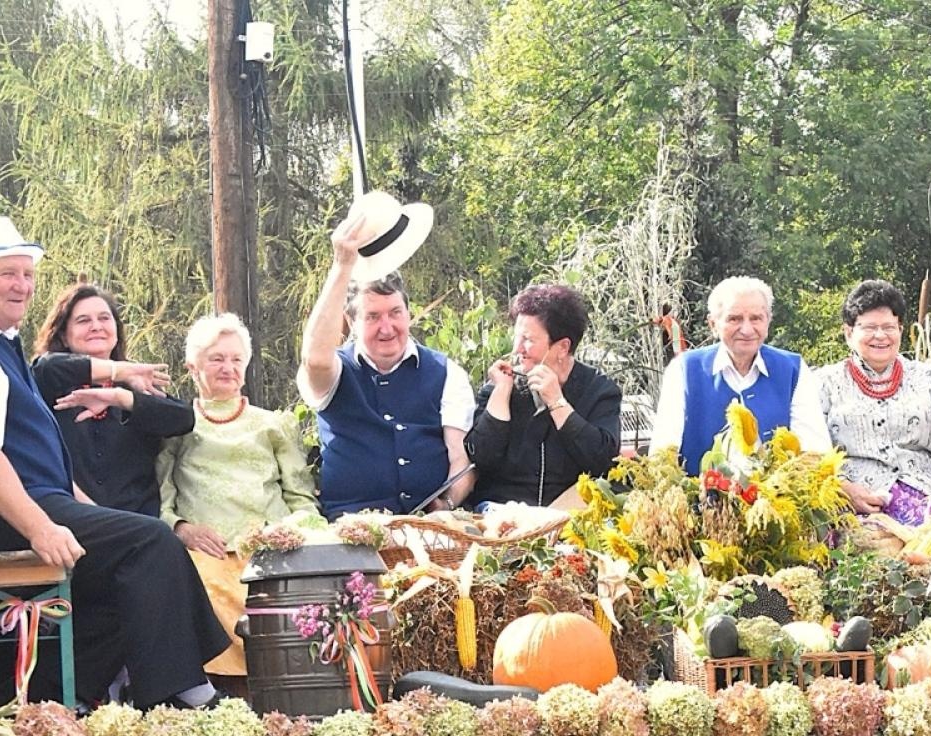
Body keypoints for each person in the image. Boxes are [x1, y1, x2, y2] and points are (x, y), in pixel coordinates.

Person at [0, 217, 227, 708]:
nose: (23, 285)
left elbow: (42, 461)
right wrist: (40, 528)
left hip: (35, 504)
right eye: (7, 274)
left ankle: (61, 701)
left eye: (27, 273)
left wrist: (91, 511)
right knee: (148, 542)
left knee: (132, 559)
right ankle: (183, 694)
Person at [158, 314, 319, 680]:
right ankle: (221, 693)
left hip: (270, 548)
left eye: (236, 359)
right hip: (207, 550)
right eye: (216, 359)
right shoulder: (176, 426)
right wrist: (181, 529)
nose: (228, 368)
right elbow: (161, 498)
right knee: (201, 587)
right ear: (193, 367)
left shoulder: (272, 425)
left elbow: (301, 498)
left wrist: (294, 535)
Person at [299, 192, 475, 517]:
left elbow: (459, 459)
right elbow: (315, 359)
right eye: (373, 316)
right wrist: (342, 265)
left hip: (428, 528)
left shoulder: (447, 373)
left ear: (409, 313)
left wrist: (448, 505)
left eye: (395, 313)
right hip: (350, 530)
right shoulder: (335, 371)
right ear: (351, 322)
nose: (387, 327)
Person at [817, 279, 931, 524]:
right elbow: (811, 451)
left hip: (928, 492)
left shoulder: (925, 375)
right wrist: (842, 487)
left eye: (889, 327)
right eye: (869, 327)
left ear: (900, 330)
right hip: (860, 499)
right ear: (849, 332)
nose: (880, 336)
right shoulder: (823, 382)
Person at [31, 282, 194, 516]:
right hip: (71, 521)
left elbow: (183, 418)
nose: (96, 326)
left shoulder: (136, 385)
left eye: (104, 318)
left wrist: (122, 397)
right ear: (64, 337)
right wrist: (118, 370)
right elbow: (45, 365)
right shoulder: (49, 382)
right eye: (83, 320)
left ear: (116, 331)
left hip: (139, 525)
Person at [650, 276, 831, 474]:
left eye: (756, 318)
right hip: (699, 499)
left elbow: (814, 452)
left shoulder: (792, 369)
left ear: (768, 322)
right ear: (713, 324)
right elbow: (663, 453)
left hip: (778, 499)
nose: (746, 329)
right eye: (734, 319)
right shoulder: (684, 370)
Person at [467, 284, 622, 508]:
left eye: (528, 339)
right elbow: (481, 458)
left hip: (569, 515)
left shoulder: (600, 391)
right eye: (517, 337)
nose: (518, 348)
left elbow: (604, 462)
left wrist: (557, 402)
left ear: (562, 347)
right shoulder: (501, 385)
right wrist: (500, 394)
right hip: (500, 513)